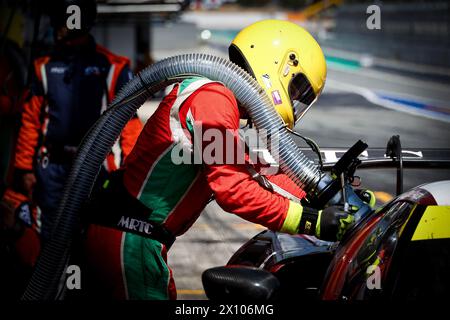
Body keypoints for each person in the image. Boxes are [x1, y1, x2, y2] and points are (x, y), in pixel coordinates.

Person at [83, 20, 359, 300]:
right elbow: (233, 189)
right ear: (279, 65)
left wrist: (330, 198)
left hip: (132, 237)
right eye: (297, 89)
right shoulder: (213, 99)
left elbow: (261, 171)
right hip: (129, 240)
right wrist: (310, 221)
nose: (296, 99)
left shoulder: (219, 100)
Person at [12, 0, 143, 243]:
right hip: (51, 169)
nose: (58, 27)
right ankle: (52, 282)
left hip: (97, 168)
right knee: (49, 238)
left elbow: (129, 123)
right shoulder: (43, 67)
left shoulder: (113, 67)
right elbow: (30, 119)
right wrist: (24, 168)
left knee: (96, 238)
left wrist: (130, 172)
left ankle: (84, 280)